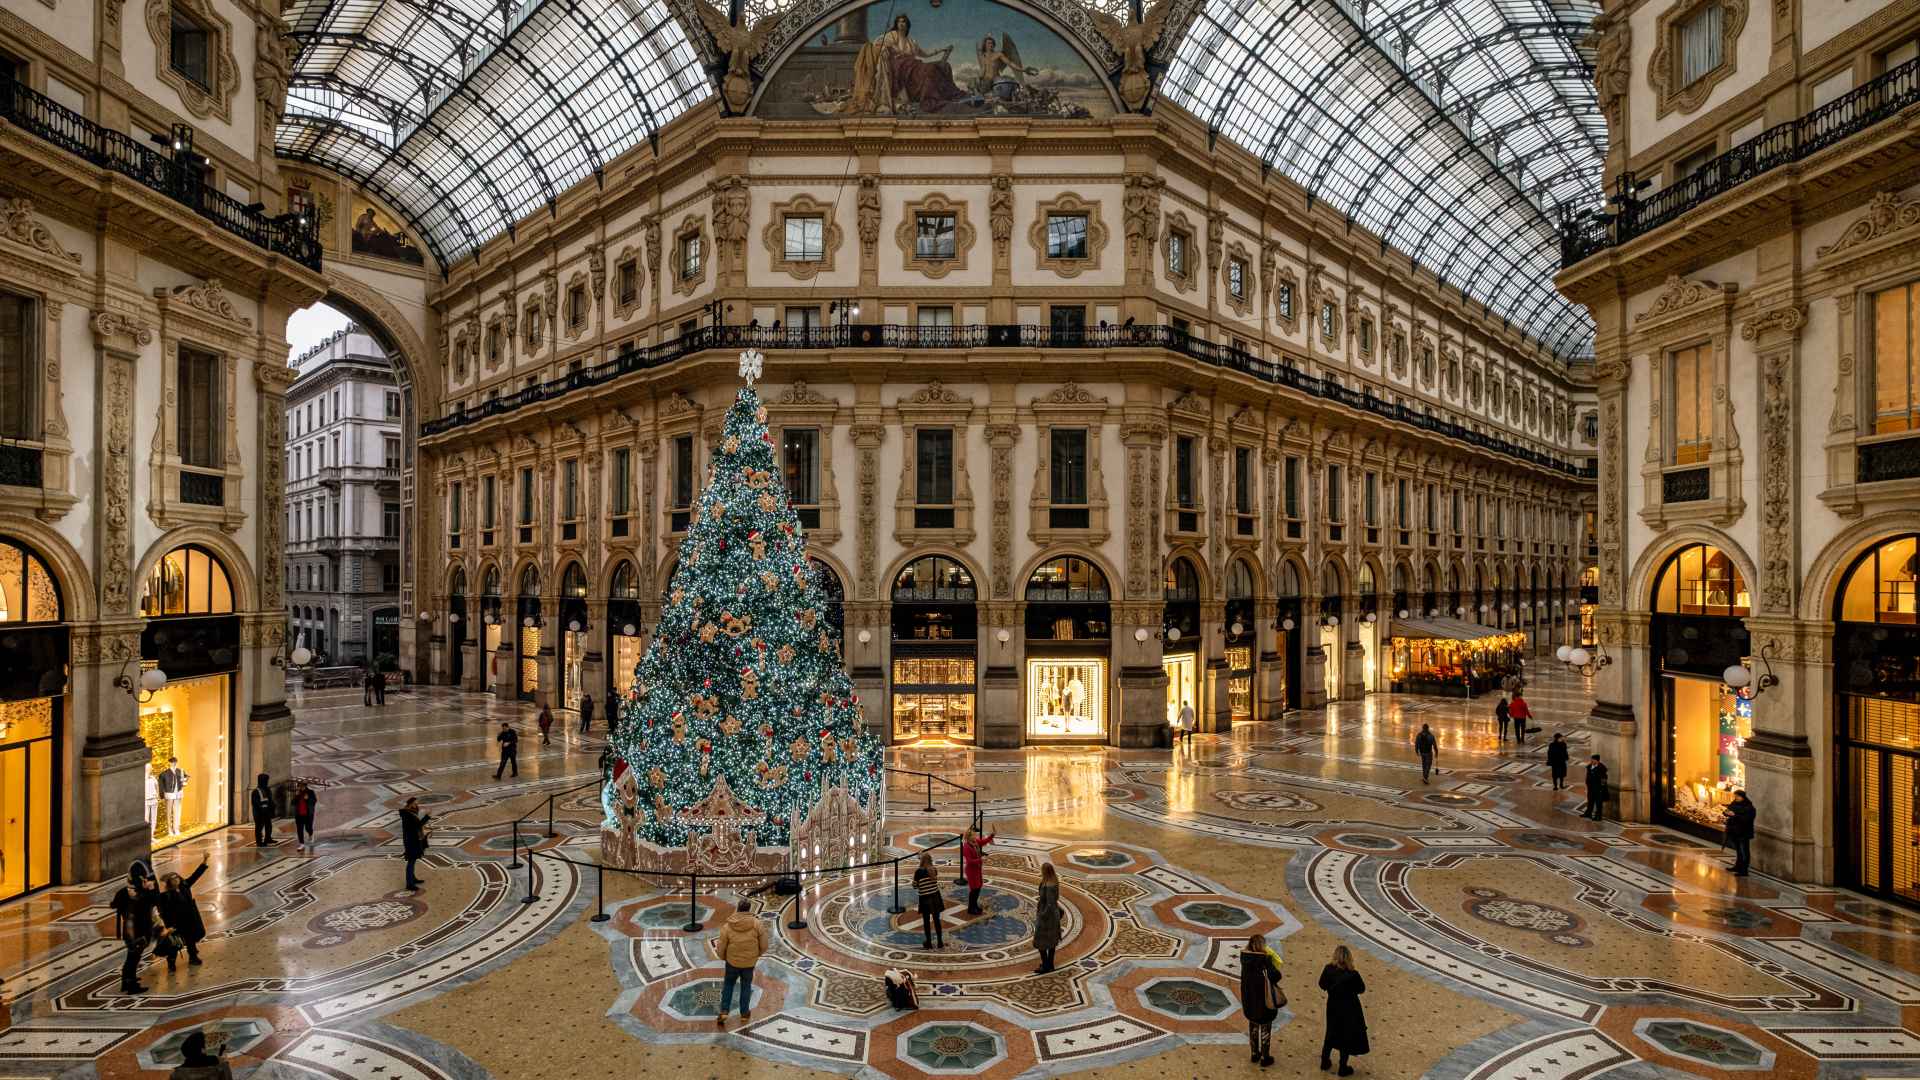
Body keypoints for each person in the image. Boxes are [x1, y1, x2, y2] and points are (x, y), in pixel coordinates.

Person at [713, 898, 768, 1027]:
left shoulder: (727, 926)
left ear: (737, 909)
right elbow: (764, 945)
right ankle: (744, 1013)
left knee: (728, 984)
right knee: (746, 986)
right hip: (749, 963)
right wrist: (756, 954)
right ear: (749, 909)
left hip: (732, 962)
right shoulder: (756, 924)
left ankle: (724, 1010)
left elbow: (721, 946)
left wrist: (723, 957)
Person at [111, 860, 162, 994]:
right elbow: (155, 901)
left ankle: (127, 981)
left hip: (129, 931)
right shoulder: (141, 898)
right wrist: (150, 890)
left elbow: (114, 904)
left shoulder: (125, 893)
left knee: (131, 957)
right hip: (138, 932)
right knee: (133, 958)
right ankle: (131, 985)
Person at [1318, 945, 1369, 1075]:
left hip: (1333, 1006)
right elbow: (1361, 989)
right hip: (1349, 1008)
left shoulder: (1328, 969)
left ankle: (1324, 1061)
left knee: (1330, 1031)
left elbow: (1322, 984)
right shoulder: (1353, 974)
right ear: (1349, 958)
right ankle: (1342, 1067)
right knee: (1345, 1036)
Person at [156, 857, 210, 970]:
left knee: (190, 940)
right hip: (176, 923)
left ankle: (193, 957)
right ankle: (171, 962)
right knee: (175, 943)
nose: (176, 880)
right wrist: (169, 926)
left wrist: (204, 862)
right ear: (169, 882)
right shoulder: (165, 896)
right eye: (173, 879)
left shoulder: (184, 886)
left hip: (189, 919)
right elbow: (164, 912)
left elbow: (195, 876)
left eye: (177, 878)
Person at [1240, 932, 1284, 1067]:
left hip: (1249, 999)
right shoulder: (1265, 960)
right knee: (1265, 1027)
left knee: (1253, 1025)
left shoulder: (1245, 959)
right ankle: (1265, 1057)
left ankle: (1254, 1053)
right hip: (1264, 1000)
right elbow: (1277, 976)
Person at [960, 826, 996, 915]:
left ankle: (975, 905)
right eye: (973, 835)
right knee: (974, 890)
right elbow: (969, 861)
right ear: (969, 837)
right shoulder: (966, 847)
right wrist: (981, 859)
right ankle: (971, 908)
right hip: (971, 871)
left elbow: (983, 841)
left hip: (977, 869)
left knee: (978, 887)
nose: (975, 836)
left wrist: (992, 835)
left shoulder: (975, 842)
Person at [1033, 862, 1062, 974]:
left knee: (1041, 941)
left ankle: (1045, 965)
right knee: (1051, 941)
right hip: (1054, 915)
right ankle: (1050, 964)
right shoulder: (1054, 881)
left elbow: (1049, 903)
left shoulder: (1048, 886)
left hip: (1048, 917)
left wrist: (1042, 915)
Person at [168, 1030, 233, 1080]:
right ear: (202, 1050)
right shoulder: (219, 1069)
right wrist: (224, 1064)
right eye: (204, 1045)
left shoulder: (176, 1075)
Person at [913, 852, 945, 949]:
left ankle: (929, 942)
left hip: (925, 898)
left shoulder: (918, 872)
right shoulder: (934, 870)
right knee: (936, 920)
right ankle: (940, 942)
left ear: (922, 861)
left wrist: (915, 882)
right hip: (935, 897)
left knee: (926, 921)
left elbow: (915, 886)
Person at [399, 797, 431, 891]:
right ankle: (409, 884)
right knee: (411, 861)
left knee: (413, 860)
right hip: (411, 840)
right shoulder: (408, 815)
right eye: (415, 803)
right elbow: (418, 825)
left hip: (413, 839)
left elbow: (416, 824)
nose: (417, 805)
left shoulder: (410, 813)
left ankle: (413, 879)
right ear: (411, 803)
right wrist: (427, 816)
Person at [1724, 789, 1756, 876]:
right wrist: (1727, 813)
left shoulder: (1749, 808)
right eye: (1735, 796)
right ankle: (1737, 866)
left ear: (1743, 797)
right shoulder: (1734, 804)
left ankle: (1744, 870)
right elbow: (1726, 811)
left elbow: (1746, 819)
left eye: (1738, 796)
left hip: (1744, 832)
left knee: (1744, 851)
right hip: (1735, 831)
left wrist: (1734, 815)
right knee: (1738, 850)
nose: (1736, 798)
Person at [157, 757, 188, 835]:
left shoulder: (180, 771)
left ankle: (176, 828)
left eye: (175, 762)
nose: (174, 763)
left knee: (177, 811)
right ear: (169, 763)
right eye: (172, 762)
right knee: (169, 812)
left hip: (178, 793)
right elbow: (161, 785)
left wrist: (185, 781)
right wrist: (161, 795)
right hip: (169, 794)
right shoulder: (164, 773)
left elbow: (186, 777)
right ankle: (169, 829)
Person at [292, 781, 318, 852]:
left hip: (308, 814)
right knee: (299, 829)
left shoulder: (310, 792)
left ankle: (311, 834)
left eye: (301, 786)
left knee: (308, 827)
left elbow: (314, 801)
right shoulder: (297, 793)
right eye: (299, 786)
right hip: (299, 815)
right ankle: (301, 844)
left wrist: (308, 799)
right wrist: (296, 796)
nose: (300, 787)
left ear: (305, 786)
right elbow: (292, 803)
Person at [249, 774, 274, 846]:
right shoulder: (256, 791)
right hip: (259, 813)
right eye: (265, 781)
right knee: (259, 827)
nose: (266, 782)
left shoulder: (267, 789)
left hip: (266, 811)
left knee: (268, 825)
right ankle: (259, 842)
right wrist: (262, 809)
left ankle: (268, 838)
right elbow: (256, 803)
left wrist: (271, 807)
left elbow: (270, 800)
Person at [1582, 754, 1609, 821]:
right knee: (1590, 801)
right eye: (1591, 759)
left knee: (1598, 803)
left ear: (1597, 760)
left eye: (1593, 759)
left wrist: (1601, 788)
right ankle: (1588, 813)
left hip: (1598, 789)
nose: (1591, 761)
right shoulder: (1589, 766)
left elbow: (1604, 779)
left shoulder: (1602, 768)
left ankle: (1598, 816)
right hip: (1591, 788)